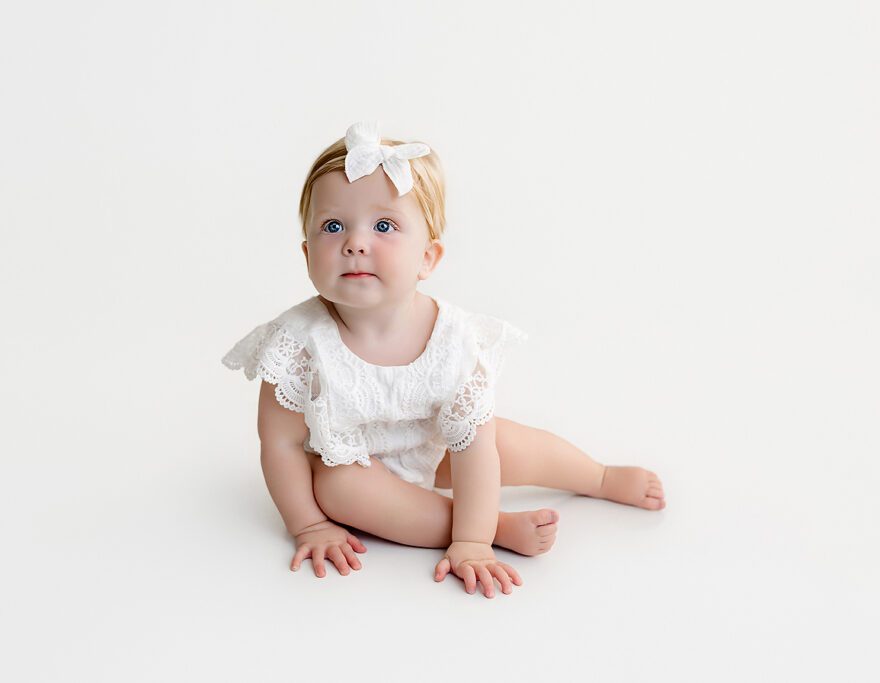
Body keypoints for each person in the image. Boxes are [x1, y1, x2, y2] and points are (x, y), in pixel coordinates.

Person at [222, 121, 666, 599]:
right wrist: (308, 524)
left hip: (433, 450)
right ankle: (494, 527)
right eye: (333, 227)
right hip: (349, 464)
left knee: (503, 443)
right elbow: (282, 445)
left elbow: (474, 448)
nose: (355, 243)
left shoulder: (455, 339)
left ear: (428, 258)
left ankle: (597, 476)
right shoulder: (297, 343)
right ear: (307, 253)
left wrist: (471, 542)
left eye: (384, 226)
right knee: (338, 489)